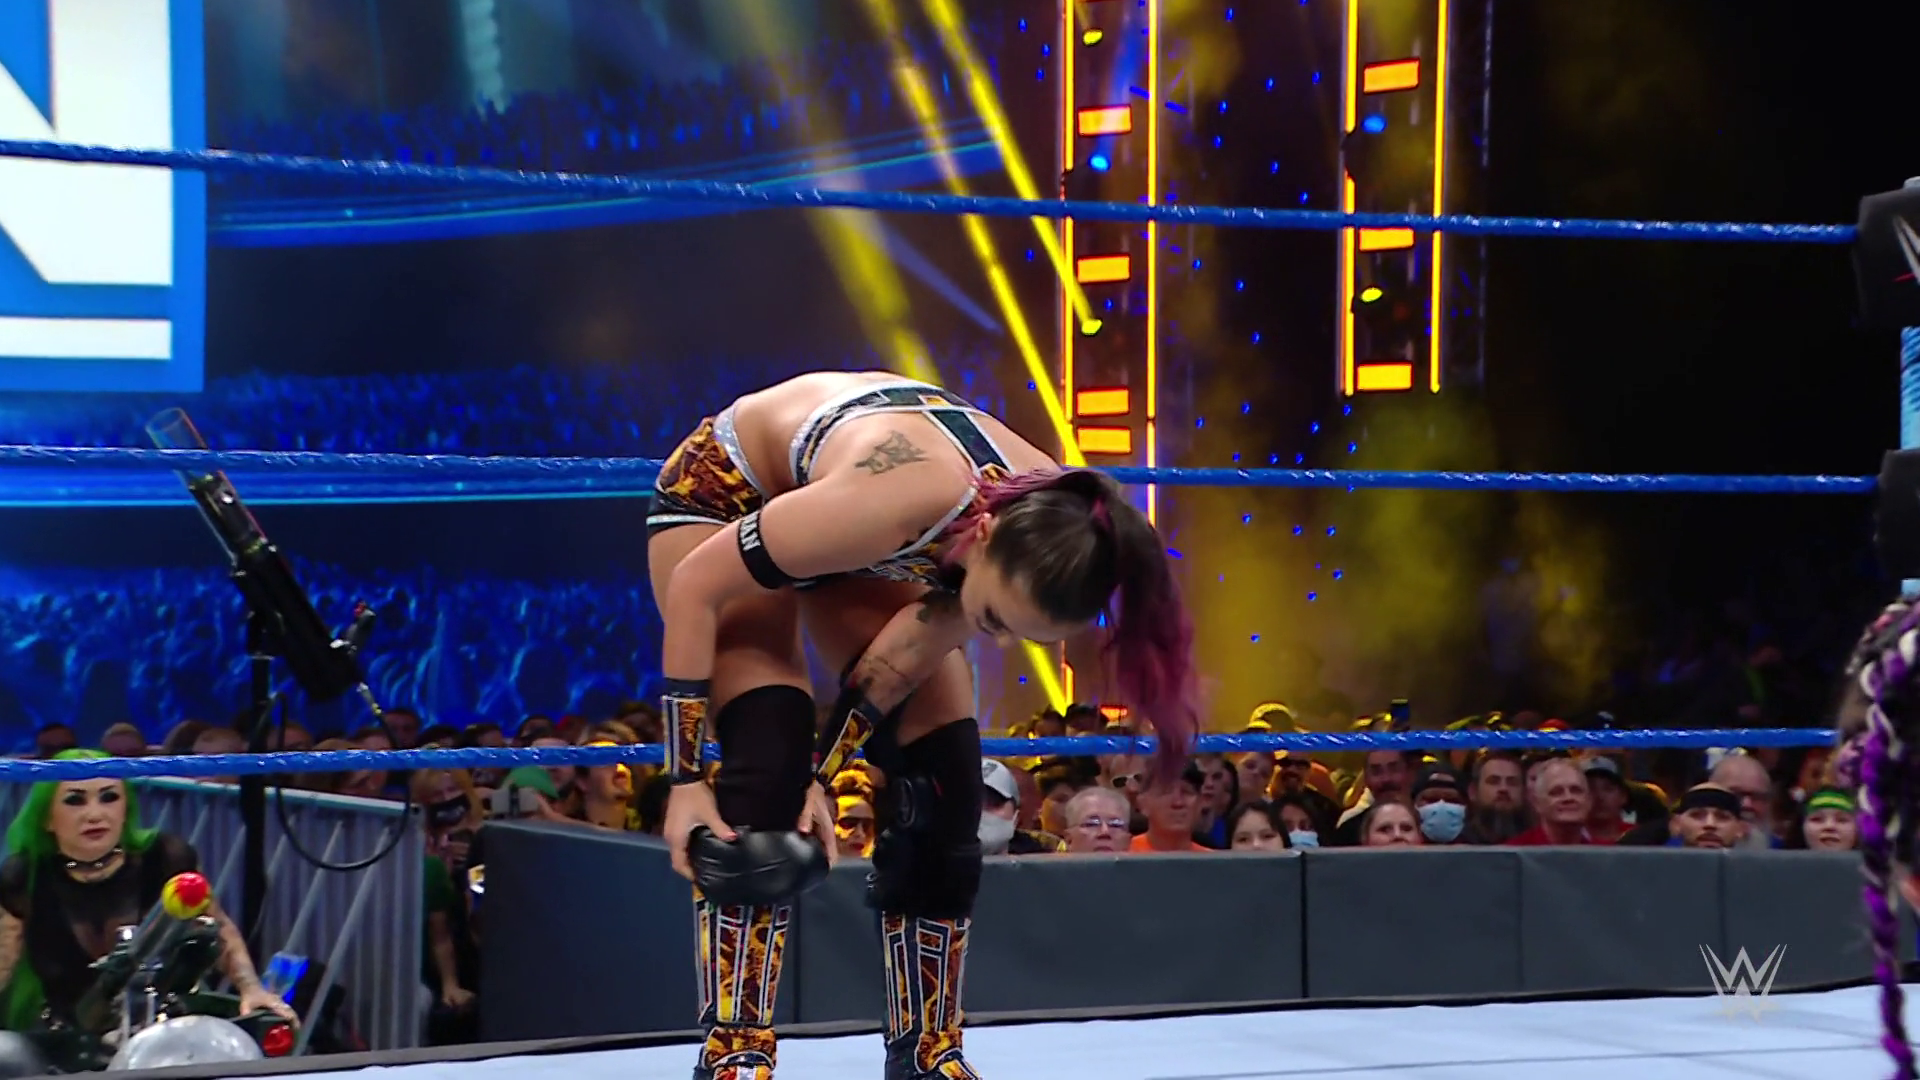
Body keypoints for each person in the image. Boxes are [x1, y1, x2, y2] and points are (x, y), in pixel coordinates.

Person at [647, 370, 1198, 1079]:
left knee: (944, 777)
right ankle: (735, 1051)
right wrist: (685, 781)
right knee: (766, 759)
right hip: (731, 497)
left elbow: (896, 665)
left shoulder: (1052, 528)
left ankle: (928, 1052)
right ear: (983, 536)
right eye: (993, 618)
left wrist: (824, 776)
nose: (997, 639)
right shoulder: (895, 504)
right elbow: (696, 585)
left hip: (855, 529)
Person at [0, 750, 297, 1031]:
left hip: (161, 1029)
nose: (95, 814)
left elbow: (218, 928)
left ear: (125, 808)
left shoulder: (165, 858)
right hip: (64, 1036)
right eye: (75, 801)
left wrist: (251, 988)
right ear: (47, 818)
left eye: (109, 797)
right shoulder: (24, 875)